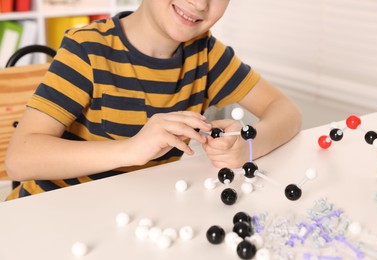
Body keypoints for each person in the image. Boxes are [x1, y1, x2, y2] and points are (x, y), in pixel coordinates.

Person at [5, 0, 302, 200]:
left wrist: (247, 147)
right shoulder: (87, 49)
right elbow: (20, 160)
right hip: (52, 209)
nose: (199, 4)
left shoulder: (208, 56)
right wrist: (130, 150)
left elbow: (286, 111)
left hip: (133, 211)